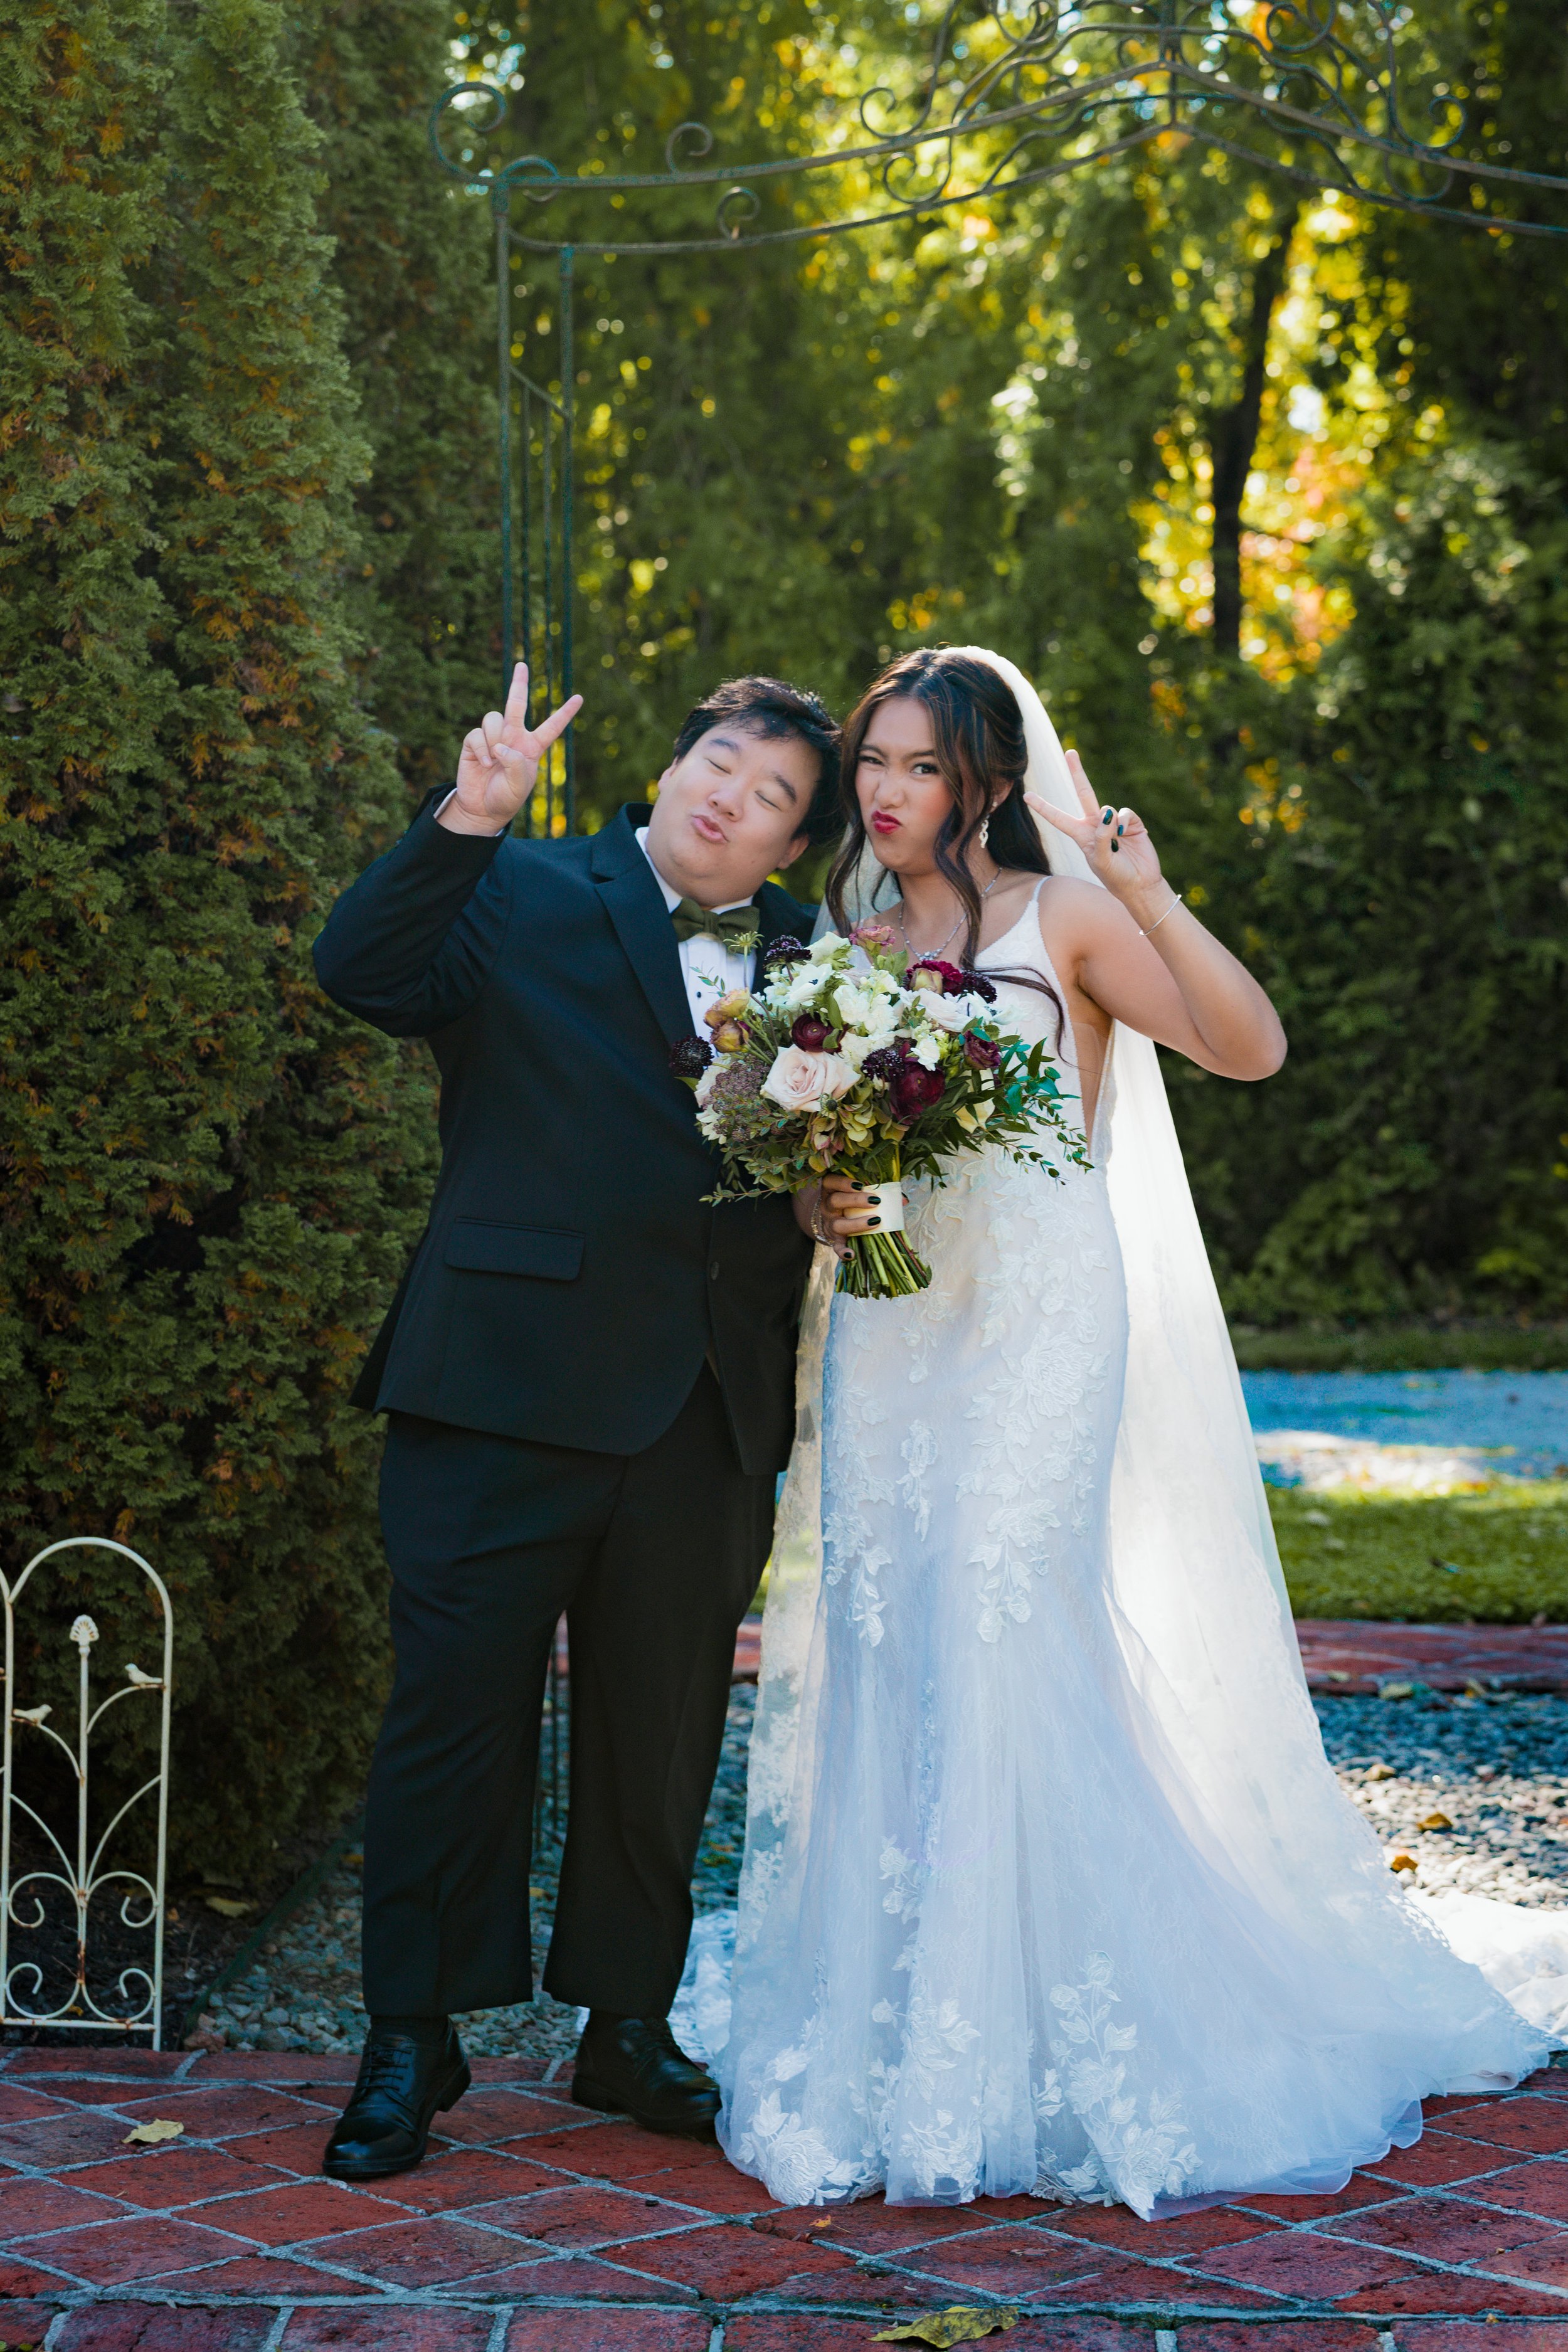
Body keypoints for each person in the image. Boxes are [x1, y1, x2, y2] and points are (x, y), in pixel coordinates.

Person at [681, 645, 1561, 2217]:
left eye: (921, 766)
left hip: (1038, 1320)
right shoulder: (845, 937)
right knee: (891, 1630)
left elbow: (1247, 1047)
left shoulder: (1064, 920)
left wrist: (1145, 890)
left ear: (987, 783)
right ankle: (902, 2017)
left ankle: (1032, 2031)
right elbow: (819, 1175)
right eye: (873, 759)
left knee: (1004, 1619)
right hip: (891, 1328)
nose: (885, 791)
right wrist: (826, 1201)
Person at [311, 660, 840, 2178]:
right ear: (673, 767)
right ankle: (411, 2036)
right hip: (499, 1384)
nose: (732, 797)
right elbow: (361, 971)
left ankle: (626, 2026)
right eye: (720, 761)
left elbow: (824, 1151)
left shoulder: (817, 961)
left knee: (661, 1735)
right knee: (450, 1720)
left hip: (705, 1406)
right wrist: (466, 819)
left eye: (772, 795)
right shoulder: (517, 884)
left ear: (790, 845)